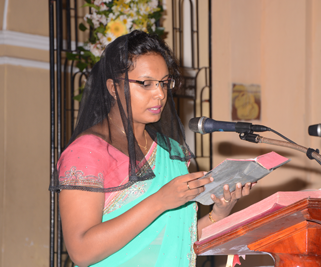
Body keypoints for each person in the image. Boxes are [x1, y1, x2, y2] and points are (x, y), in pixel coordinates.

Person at [51, 30, 253, 267]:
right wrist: (159, 201)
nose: (159, 94)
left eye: (164, 83)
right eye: (146, 84)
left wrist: (218, 212)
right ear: (113, 87)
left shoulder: (170, 153)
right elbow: (81, 251)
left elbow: (176, 240)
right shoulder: (87, 152)